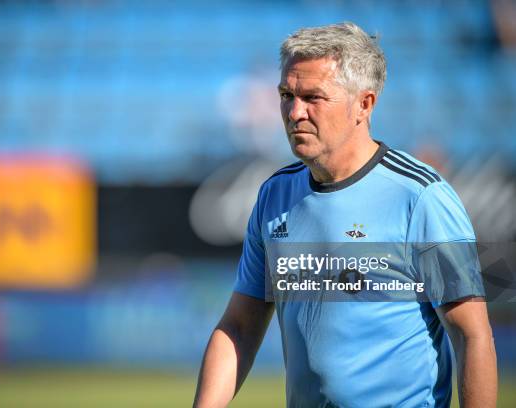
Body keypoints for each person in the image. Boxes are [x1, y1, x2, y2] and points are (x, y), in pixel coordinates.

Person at [193, 22, 497, 407]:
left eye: (313, 97)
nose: (294, 112)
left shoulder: (421, 197)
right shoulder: (275, 195)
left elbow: (473, 336)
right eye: (287, 94)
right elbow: (239, 326)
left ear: (364, 104)